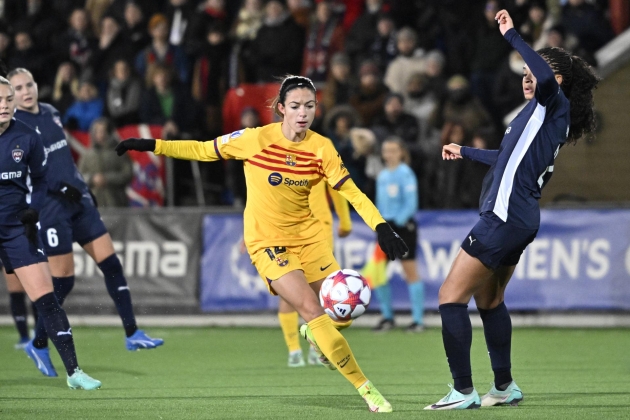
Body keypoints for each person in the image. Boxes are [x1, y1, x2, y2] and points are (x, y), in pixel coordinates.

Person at [116, 75, 408, 413]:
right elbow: (202, 149)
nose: (303, 113)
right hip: (268, 242)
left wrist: (381, 227)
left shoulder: (321, 147)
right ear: (281, 109)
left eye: (310, 106)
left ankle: (316, 336)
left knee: (341, 313)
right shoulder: (254, 139)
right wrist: (151, 145)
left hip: (310, 239)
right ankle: (366, 389)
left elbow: (351, 192)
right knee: (312, 310)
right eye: (296, 106)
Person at [425, 9, 598, 410]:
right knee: (489, 302)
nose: (527, 75)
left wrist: (513, 35)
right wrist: (465, 150)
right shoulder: (536, 116)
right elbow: (506, 158)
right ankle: (504, 387)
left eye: (535, 71)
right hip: (520, 218)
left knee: (451, 298)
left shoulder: (554, 105)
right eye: (523, 71)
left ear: (558, 81)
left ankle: (462, 391)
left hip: (502, 217)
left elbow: (541, 71)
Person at [8, 69, 163, 380]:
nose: (26, 91)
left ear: (37, 86)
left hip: (79, 199)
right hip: (51, 208)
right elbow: (35, 172)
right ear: (10, 95)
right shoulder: (17, 128)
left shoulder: (51, 112)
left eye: (29, 85)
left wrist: (79, 184)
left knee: (112, 264)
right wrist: (59, 188)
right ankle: (39, 344)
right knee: (63, 281)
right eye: (18, 88)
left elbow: (62, 156)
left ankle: (132, 333)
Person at [0, 75, 101, 389]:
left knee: (48, 299)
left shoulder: (27, 136)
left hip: (16, 229)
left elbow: (42, 180)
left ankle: (74, 373)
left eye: (7, 99)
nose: (4, 106)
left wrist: (34, 209)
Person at [281, 168, 353, 367]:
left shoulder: (317, 151)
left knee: (321, 292)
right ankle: (295, 350)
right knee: (291, 289)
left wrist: (345, 222)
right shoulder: (273, 152)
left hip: (315, 232)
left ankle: (316, 346)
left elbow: (336, 186)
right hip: (287, 230)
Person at [371, 137, 423, 333]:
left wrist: (396, 222)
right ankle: (387, 317)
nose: (389, 154)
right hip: (386, 227)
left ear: (401, 152)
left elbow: (411, 203)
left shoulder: (405, 174)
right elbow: (379, 202)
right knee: (377, 272)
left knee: (409, 271)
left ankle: (417, 320)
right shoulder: (383, 175)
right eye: (386, 150)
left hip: (402, 227)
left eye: (393, 150)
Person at [78, 118, 134, 207]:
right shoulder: (87, 155)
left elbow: (127, 174)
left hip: (116, 202)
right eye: (97, 131)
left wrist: (107, 179)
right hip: (94, 203)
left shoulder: (119, 152)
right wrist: (92, 179)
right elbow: (79, 177)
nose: (100, 134)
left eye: (103, 131)